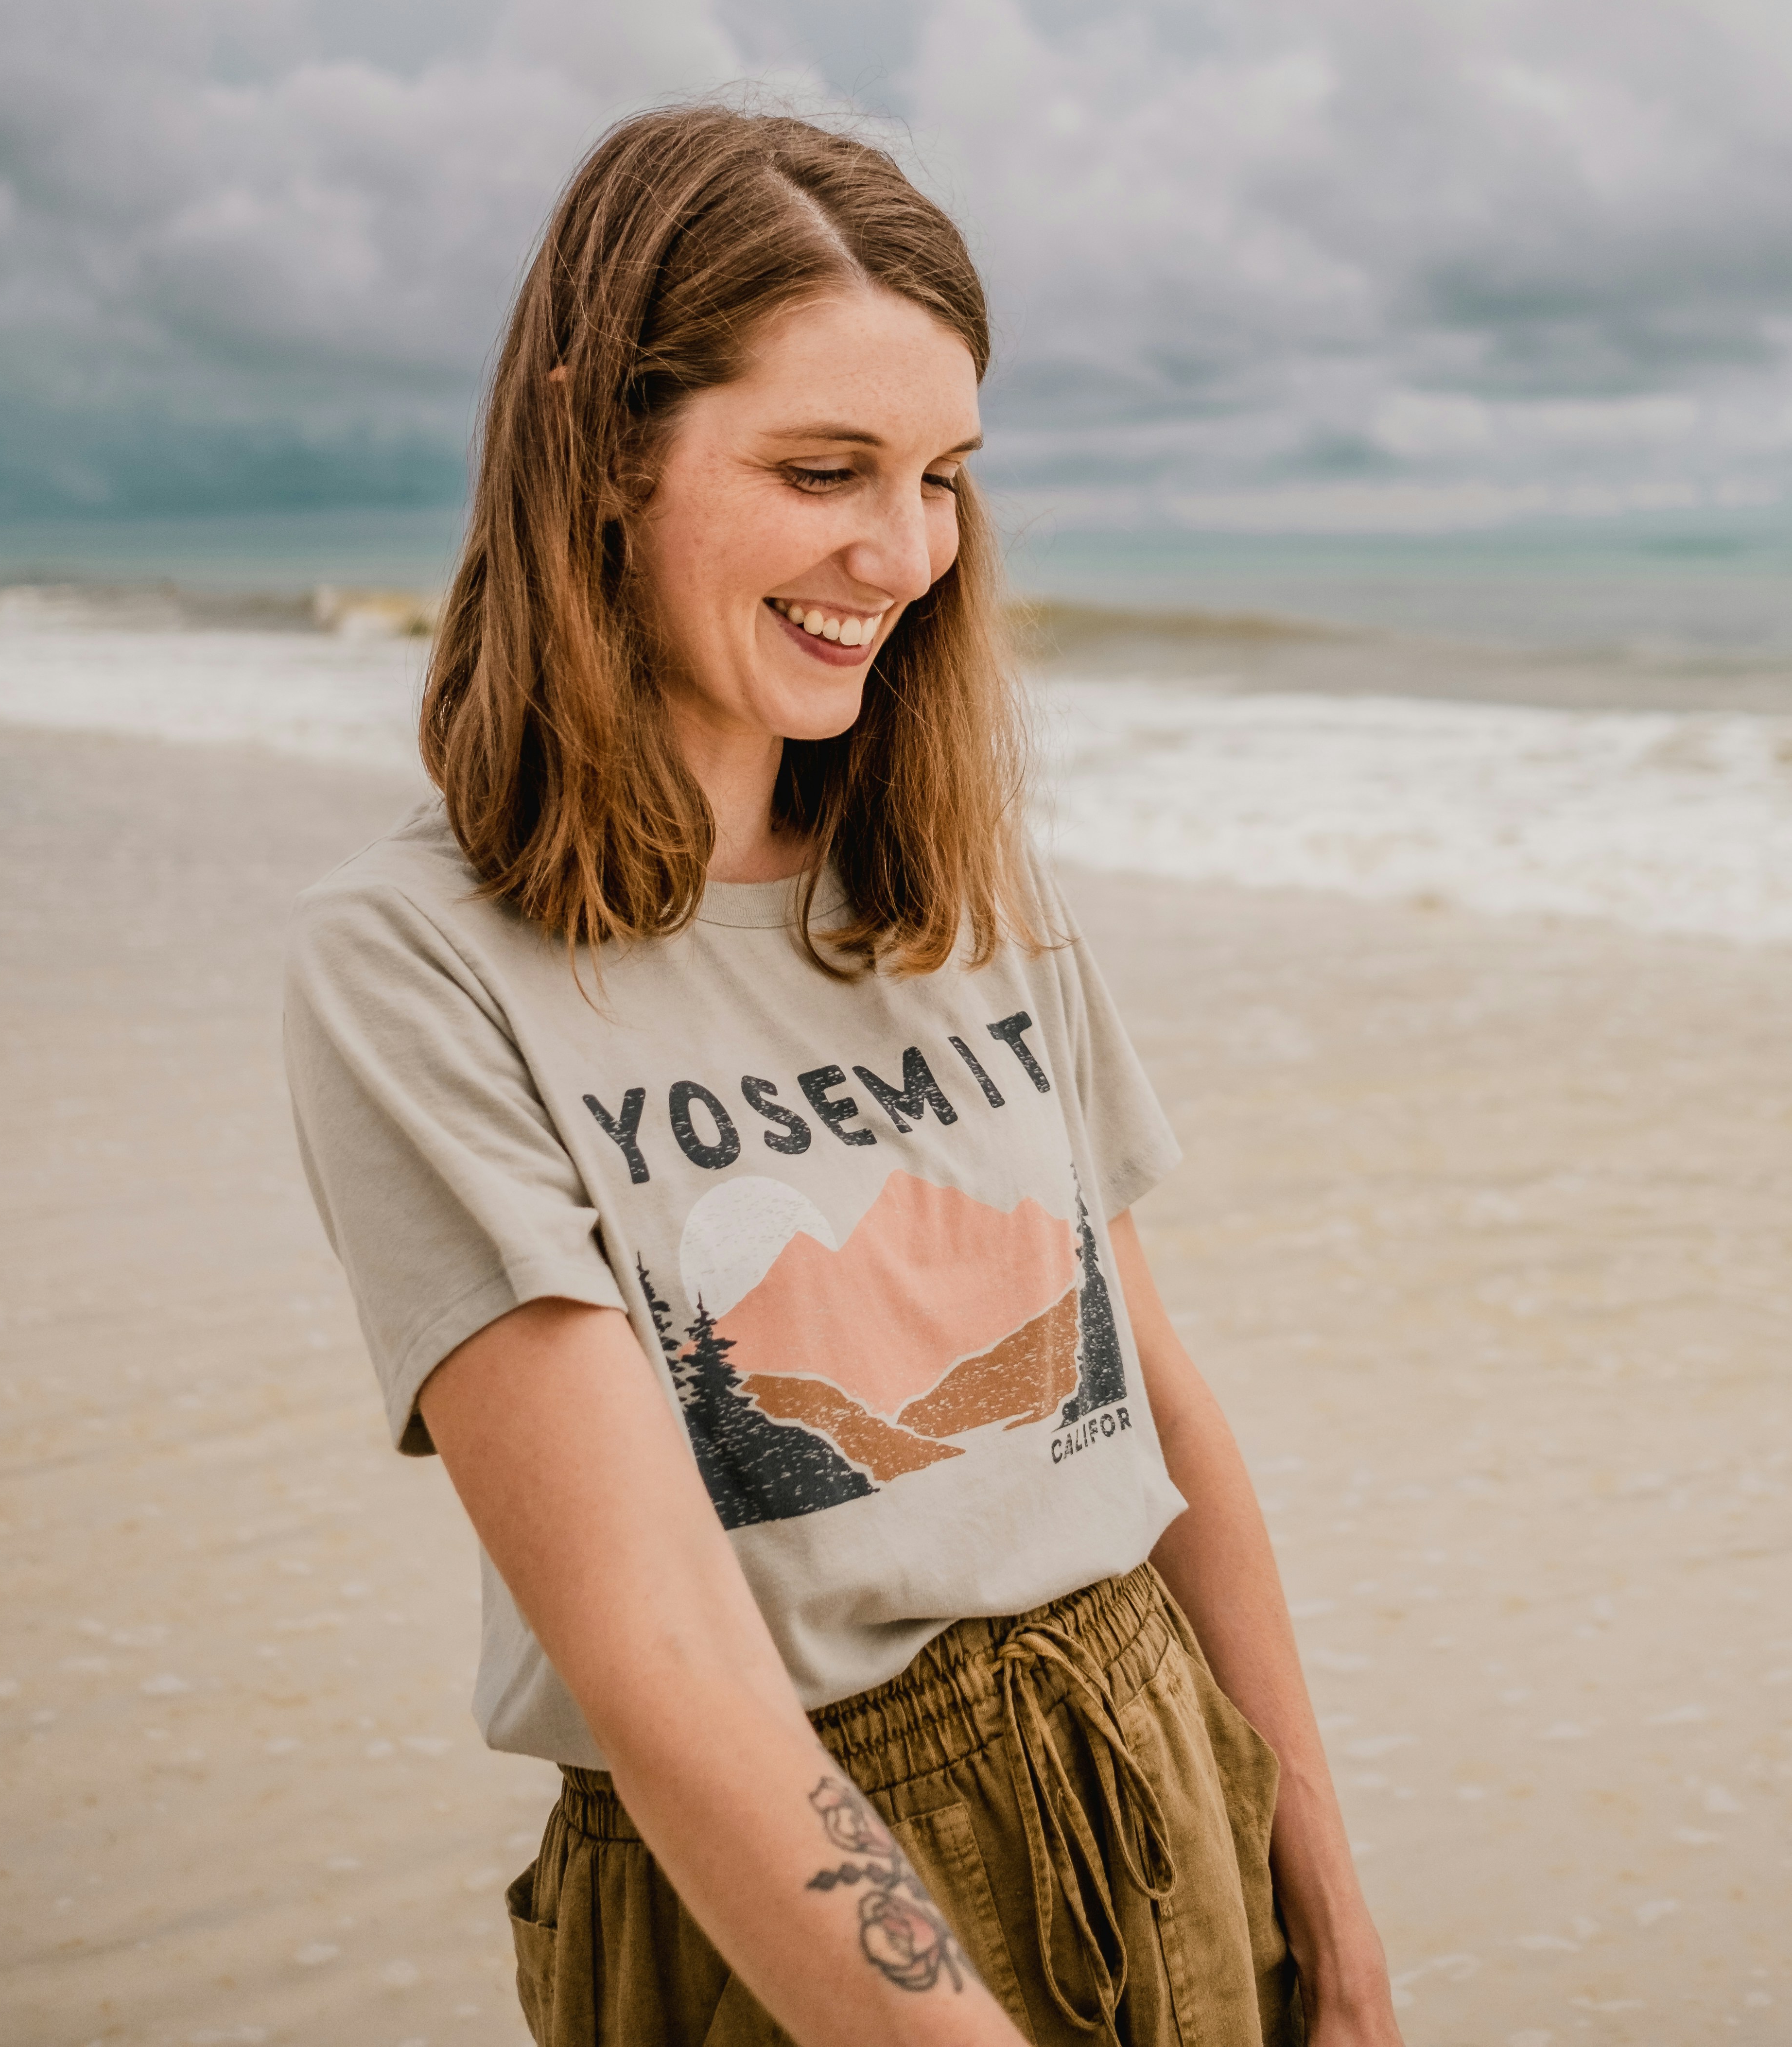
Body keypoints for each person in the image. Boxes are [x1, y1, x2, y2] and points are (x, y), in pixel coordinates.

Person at [283, 107, 1403, 2047]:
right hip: (769, 1894)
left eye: (944, 477)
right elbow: (664, 1659)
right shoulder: (419, 970)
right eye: (825, 471)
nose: (901, 554)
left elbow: (1155, 1412)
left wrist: (1325, 1886)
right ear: (608, 450)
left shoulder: (959, 890)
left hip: (1154, 1779)